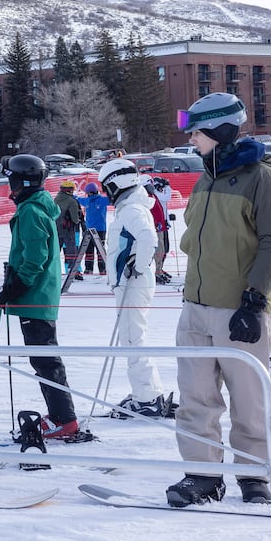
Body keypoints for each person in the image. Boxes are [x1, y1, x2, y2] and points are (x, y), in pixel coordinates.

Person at [167, 93, 271, 508]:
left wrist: (254, 300)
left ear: (220, 131)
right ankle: (203, 476)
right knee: (195, 398)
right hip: (196, 309)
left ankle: (254, 476)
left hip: (240, 309)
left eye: (196, 132)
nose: (191, 139)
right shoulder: (205, 176)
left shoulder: (261, 178)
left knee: (248, 399)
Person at [0, 155, 89, 443]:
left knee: (45, 359)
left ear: (22, 181)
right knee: (43, 358)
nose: (9, 186)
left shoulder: (31, 212)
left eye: (11, 179)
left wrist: (17, 286)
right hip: (37, 296)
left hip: (35, 297)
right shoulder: (33, 207)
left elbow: (36, 257)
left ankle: (64, 419)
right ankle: (61, 416)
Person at [100, 158, 168, 417]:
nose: (107, 193)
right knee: (132, 338)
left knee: (132, 339)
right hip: (130, 282)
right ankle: (147, 392)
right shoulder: (130, 207)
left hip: (133, 283)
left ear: (118, 183)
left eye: (108, 188)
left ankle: (147, 398)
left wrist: (137, 267)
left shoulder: (132, 210)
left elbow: (149, 238)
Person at [53, 179, 86, 280]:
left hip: (56, 228)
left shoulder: (56, 199)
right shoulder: (72, 201)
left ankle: (51, 270)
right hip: (68, 229)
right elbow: (75, 219)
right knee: (71, 251)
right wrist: (79, 217)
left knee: (55, 251)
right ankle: (74, 271)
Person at [78, 181, 110, 277]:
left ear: (93, 192)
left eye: (89, 193)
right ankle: (88, 269)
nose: (88, 195)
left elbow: (113, 199)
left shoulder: (103, 200)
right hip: (89, 229)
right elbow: (78, 199)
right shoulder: (87, 200)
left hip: (100, 229)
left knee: (100, 250)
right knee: (88, 250)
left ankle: (103, 269)